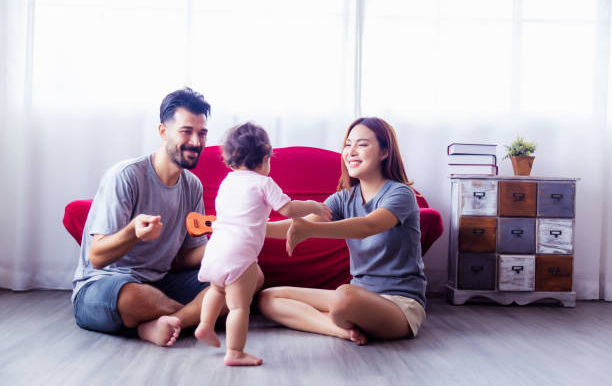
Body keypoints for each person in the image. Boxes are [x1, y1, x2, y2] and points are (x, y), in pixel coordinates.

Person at [71, 87, 248, 347]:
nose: (196, 142)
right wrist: (133, 233)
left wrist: (226, 240)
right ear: (163, 132)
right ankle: (198, 317)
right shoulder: (126, 176)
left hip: (161, 283)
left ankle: (162, 323)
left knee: (247, 275)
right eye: (186, 132)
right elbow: (96, 257)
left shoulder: (192, 185)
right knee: (133, 298)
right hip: (105, 286)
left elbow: (185, 258)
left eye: (202, 133)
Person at [259, 117, 427, 344]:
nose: (351, 151)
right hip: (356, 296)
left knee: (343, 297)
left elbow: (367, 227)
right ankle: (339, 330)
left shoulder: (400, 194)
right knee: (269, 298)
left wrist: (311, 229)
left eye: (362, 144)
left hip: (398, 304)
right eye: (348, 145)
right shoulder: (344, 198)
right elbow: (297, 225)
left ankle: (342, 317)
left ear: (385, 152)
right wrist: (248, 227)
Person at [193, 122, 332, 366]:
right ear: (264, 158)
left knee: (216, 290)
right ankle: (235, 352)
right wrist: (312, 205)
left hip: (215, 248)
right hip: (239, 255)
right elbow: (288, 208)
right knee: (238, 307)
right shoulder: (263, 183)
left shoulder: (228, 181)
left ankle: (205, 325)